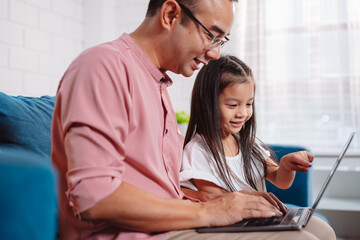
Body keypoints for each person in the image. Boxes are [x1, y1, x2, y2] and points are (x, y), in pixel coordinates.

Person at [51, 0, 336, 239]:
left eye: (221, 41)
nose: (215, 54)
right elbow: (95, 196)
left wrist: (220, 200)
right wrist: (212, 212)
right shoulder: (103, 65)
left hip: (168, 223)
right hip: (133, 233)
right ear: (171, 14)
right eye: (211, 35)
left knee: (318, 228)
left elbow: (161, 187)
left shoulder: (157, 83)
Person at [180, 55, 312, 204]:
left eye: (249, 104)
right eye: (232, 105)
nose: (242, 113)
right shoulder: (198, 151)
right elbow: (217, 200)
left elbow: (280, 180)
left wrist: (286, 166)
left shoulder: (247, 143)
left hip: (256, 217)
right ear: (207, 104)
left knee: (321, 227)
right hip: (233, 223)